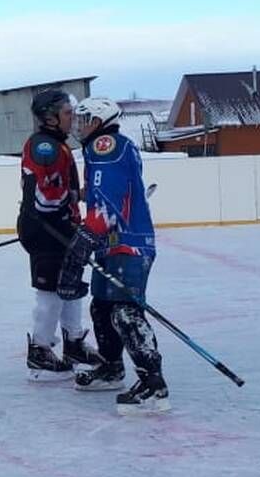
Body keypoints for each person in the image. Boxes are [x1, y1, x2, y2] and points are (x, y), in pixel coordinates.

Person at [68, 98, 168, 412]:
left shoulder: (105, 146)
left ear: (100, 122)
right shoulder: (101, 148)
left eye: (85, 119)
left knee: (125, 312)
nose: (79, 126)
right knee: (102, 308)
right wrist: (79, 197)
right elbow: (110, 190)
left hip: (128, 244)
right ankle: (112, 368)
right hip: (109, 244)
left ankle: (154, 385)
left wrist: (85, 236)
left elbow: (109, 206)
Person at [18, 90, 105, 380]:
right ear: (50, 117)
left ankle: (74, 342)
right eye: (68, 113)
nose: (73, 119)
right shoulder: (45, 147)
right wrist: (75, 195)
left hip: (61, 227)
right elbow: (45, 197)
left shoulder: (57, 145)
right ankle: (40, 350)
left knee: (70, 286)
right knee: (51, 292)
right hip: (46, 230)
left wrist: (74, 200)